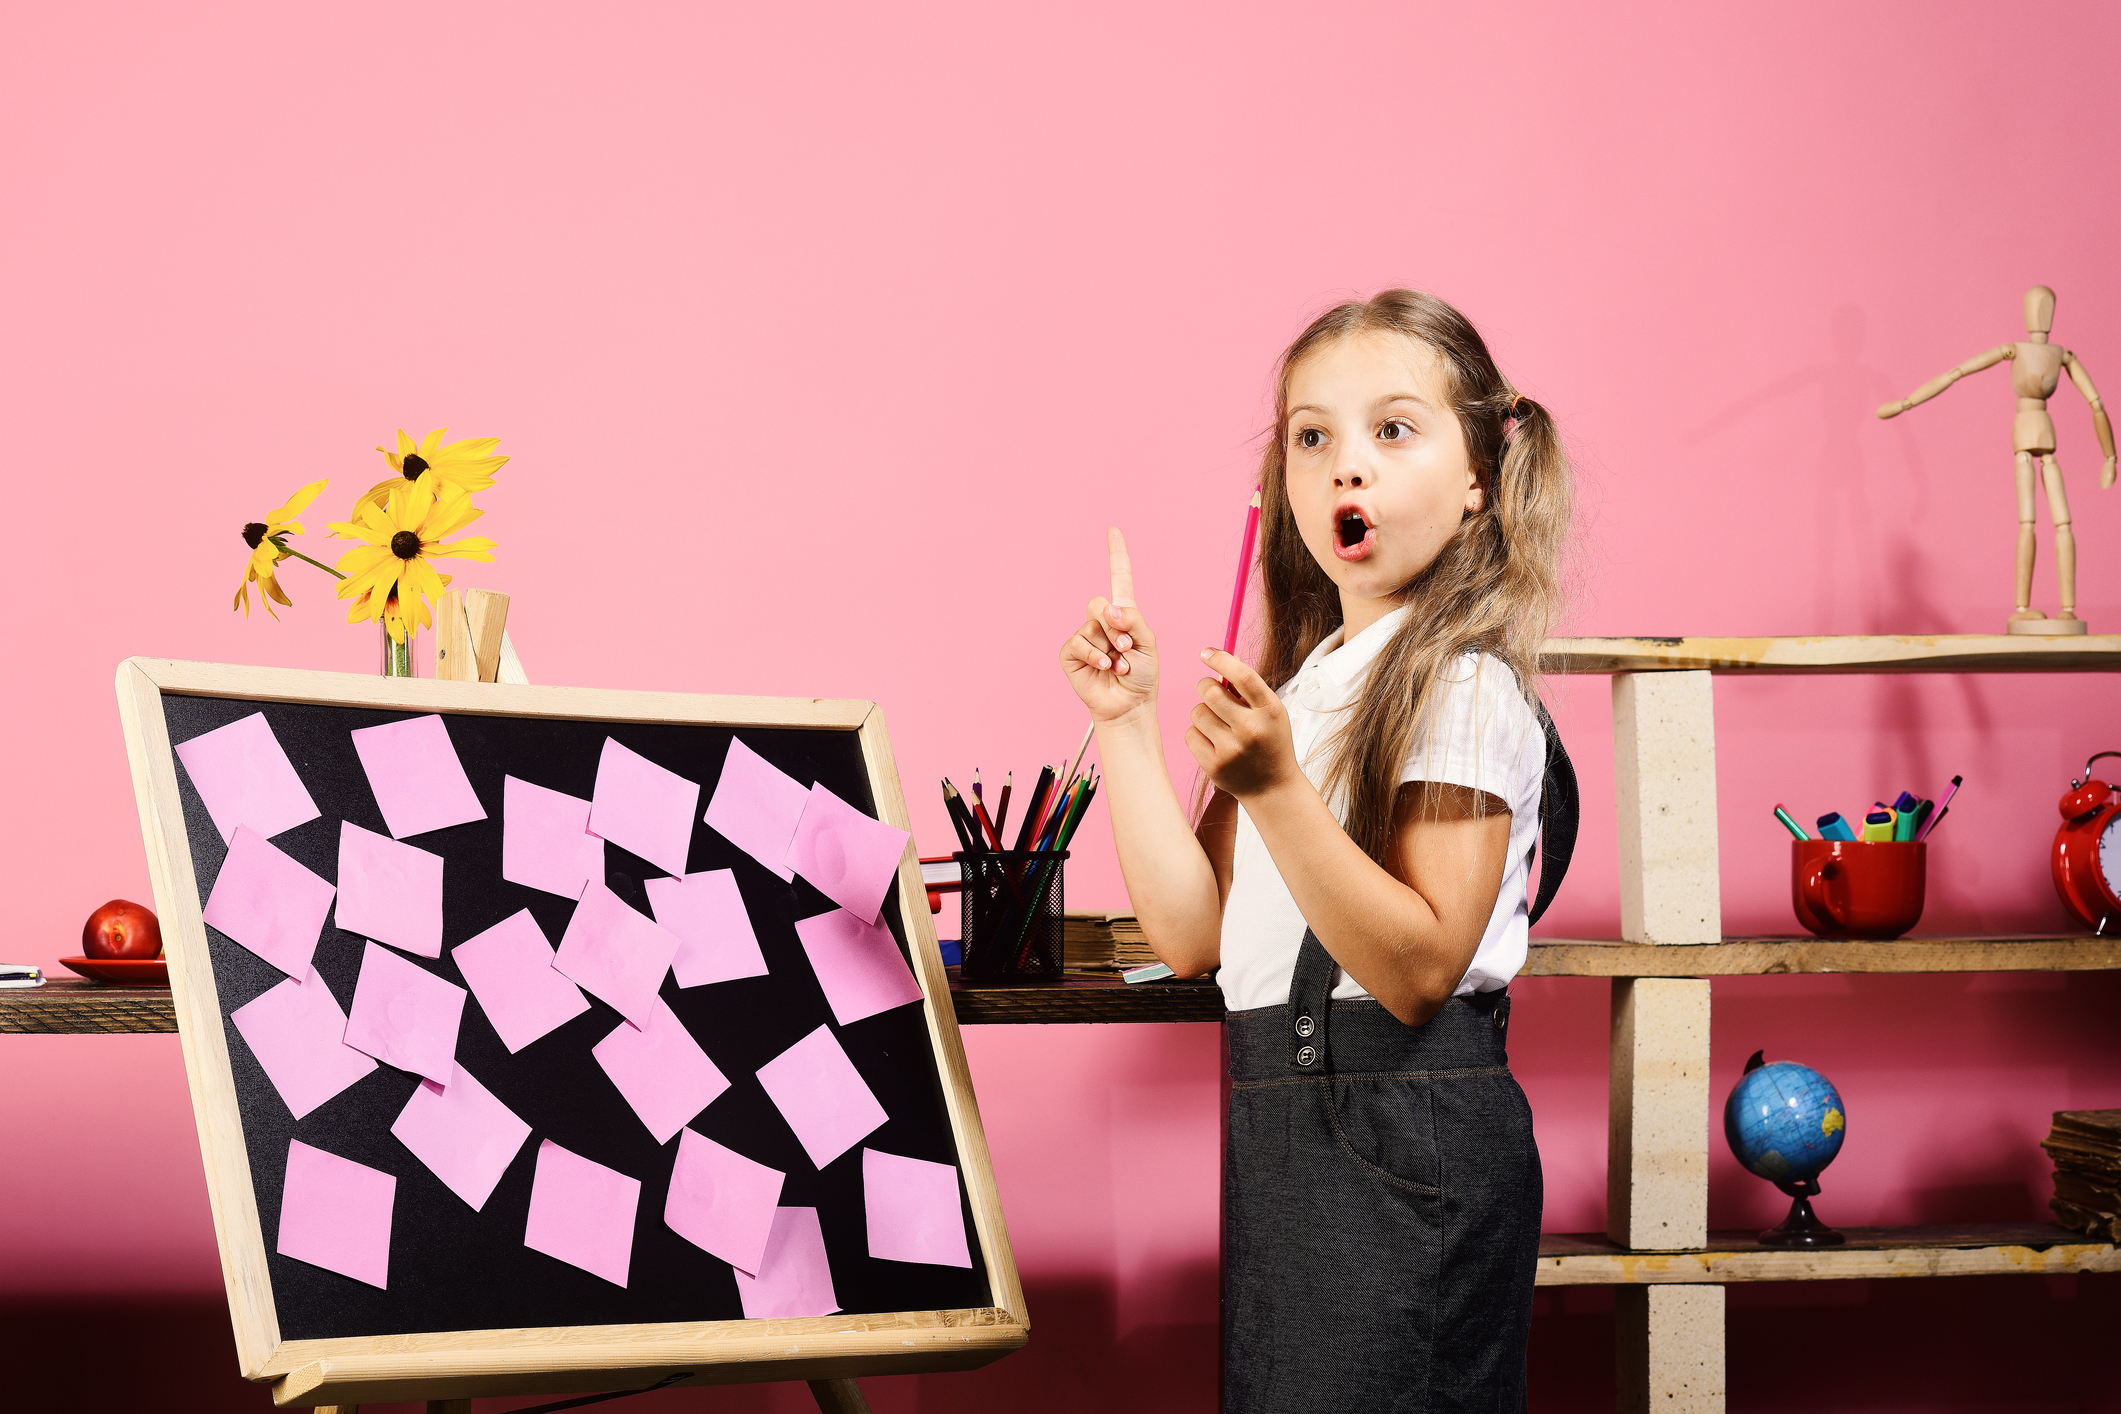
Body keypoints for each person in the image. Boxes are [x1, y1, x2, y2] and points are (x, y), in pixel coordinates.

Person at [1058, 288, 1571, 1412]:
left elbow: (1417, 968)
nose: (1348, 466)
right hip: (1278, 1126)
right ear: (1282, 484)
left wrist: (1278, 786)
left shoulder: (1467, 684)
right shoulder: (1307, 686)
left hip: (1407, 1131)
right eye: (1313, 435)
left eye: (1393, 430)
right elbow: (1189, 936)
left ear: (1480, 474)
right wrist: (1127, 725)